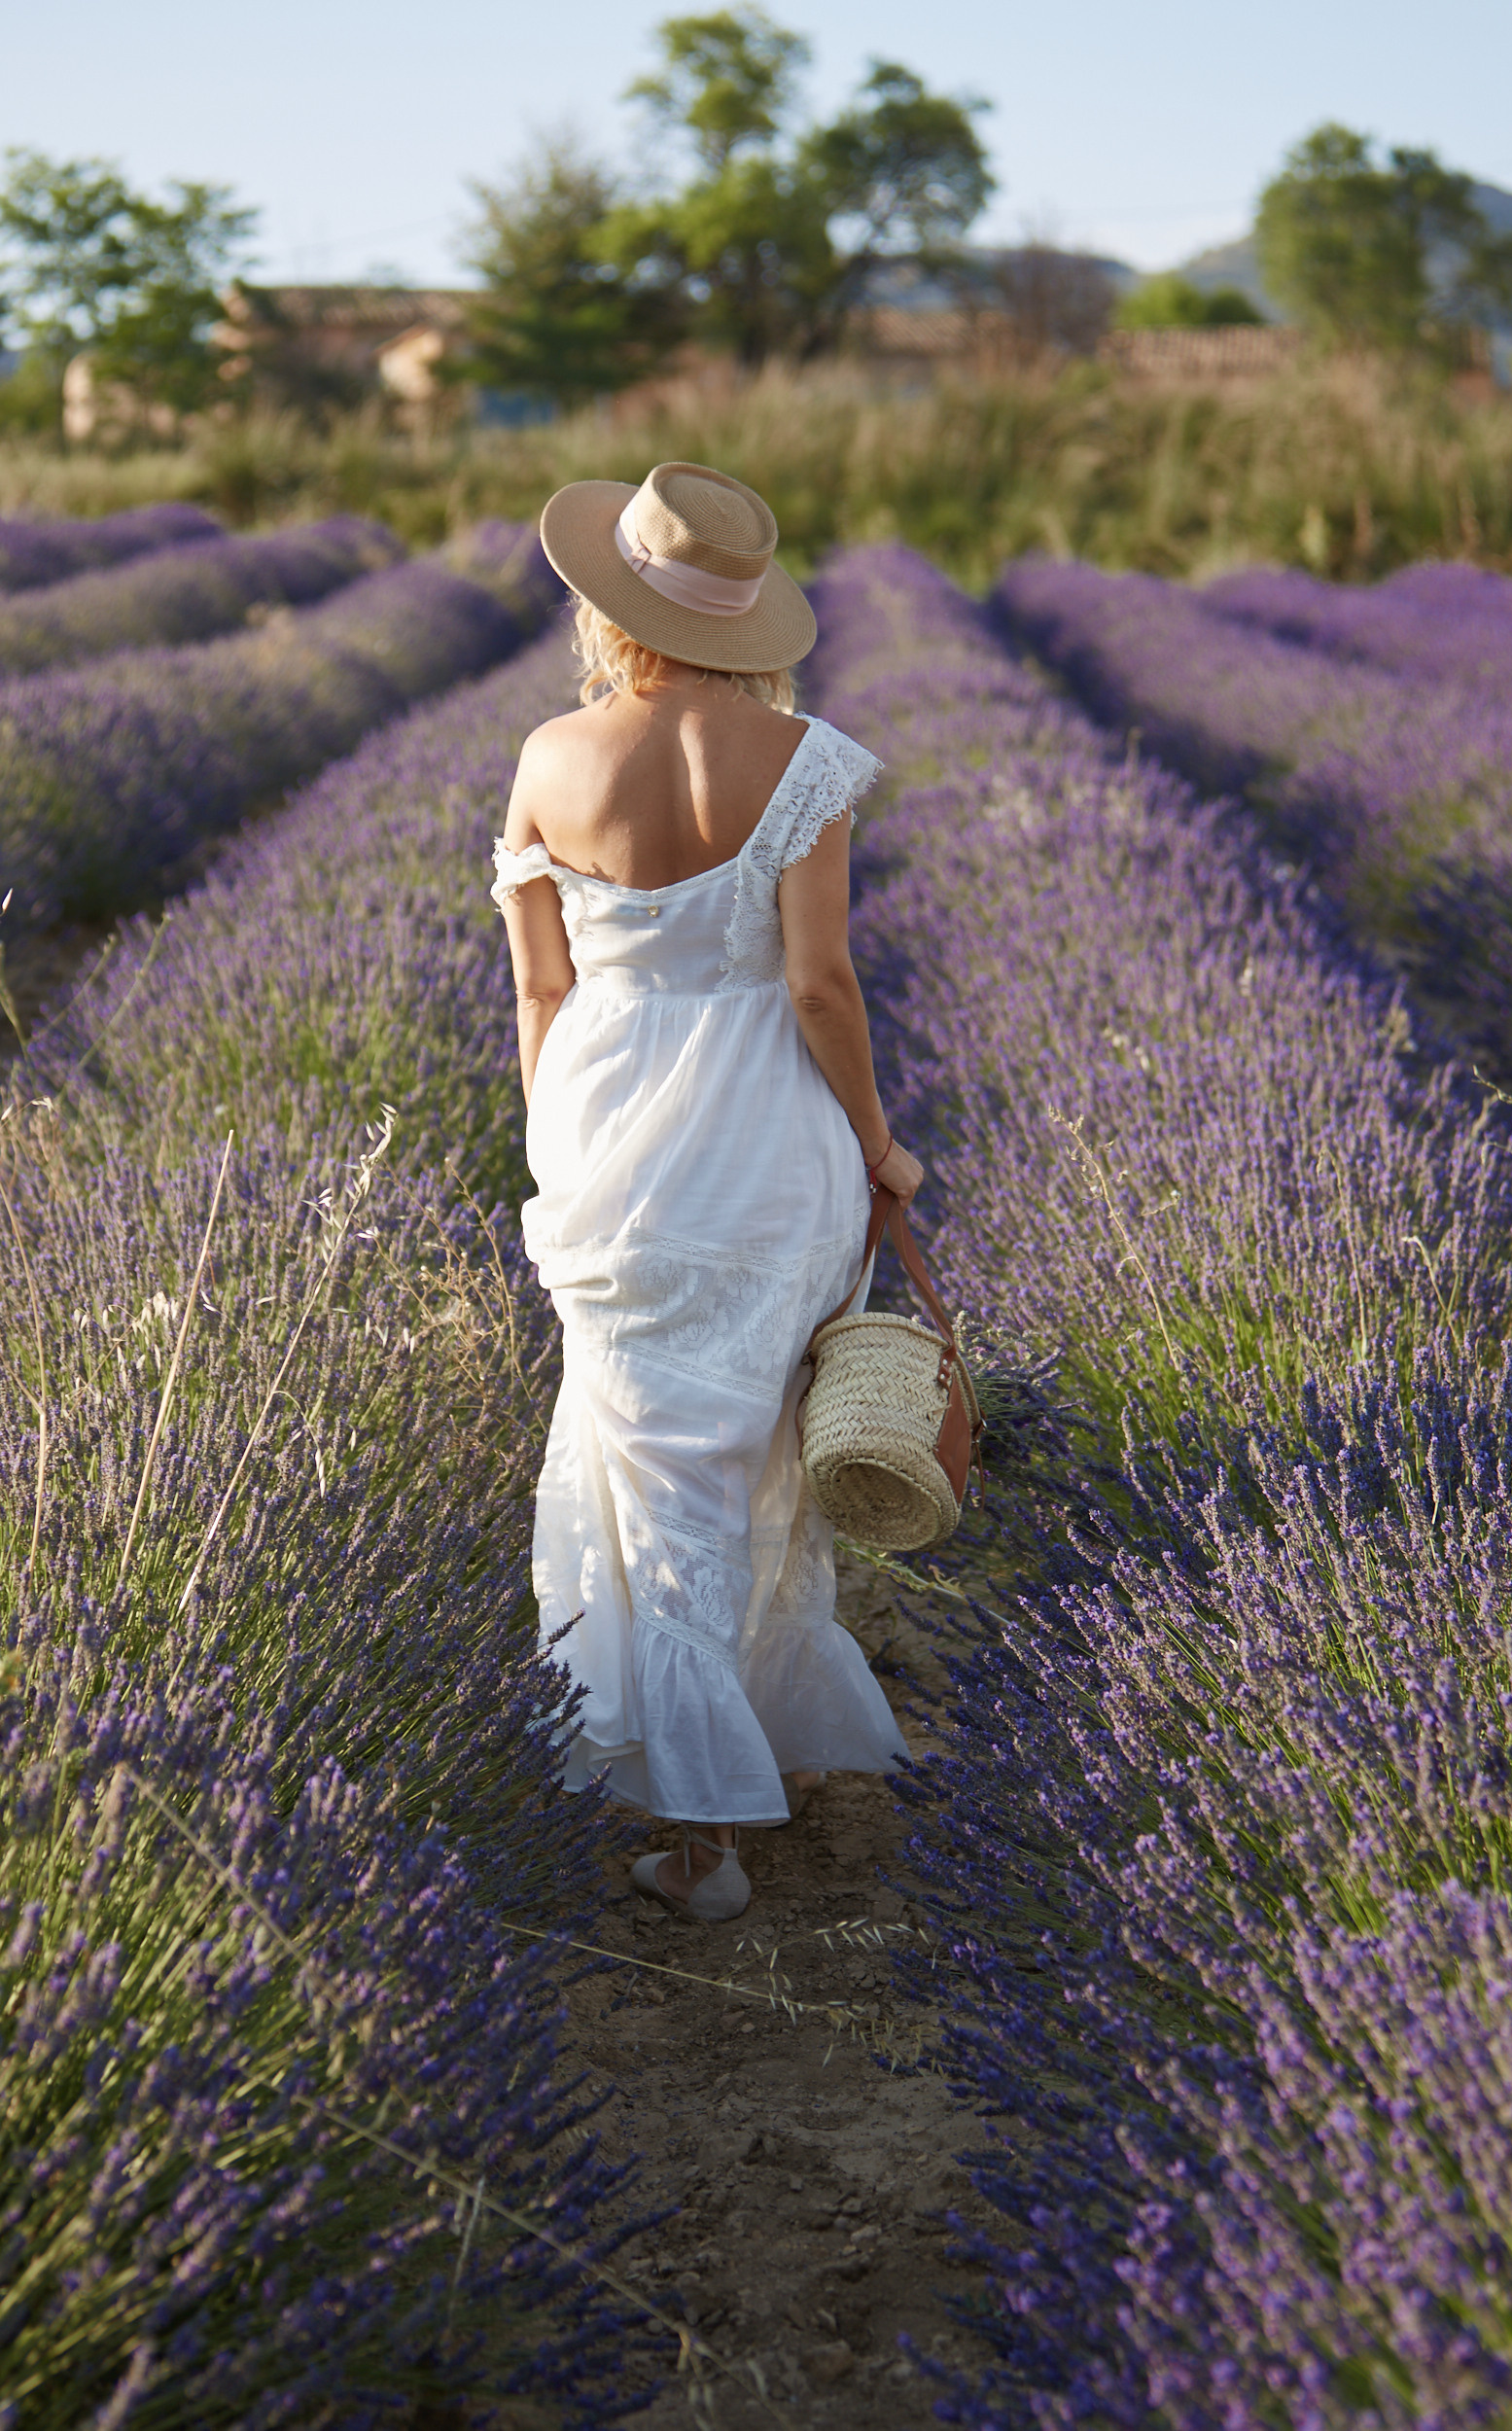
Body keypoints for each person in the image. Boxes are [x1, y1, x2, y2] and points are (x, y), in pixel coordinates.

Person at [492, 461, 923, 1922]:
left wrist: (562, 1147)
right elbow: (819, 984)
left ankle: (701, 1832)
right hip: (768, 1145)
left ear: (613, 609)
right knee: (759, 1455)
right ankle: (741, 1771)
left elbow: (540, 991)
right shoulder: (807, 760)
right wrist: (878, 1144)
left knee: (648, 1473)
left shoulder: (550, 757)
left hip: (608, 1141)